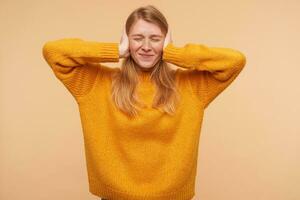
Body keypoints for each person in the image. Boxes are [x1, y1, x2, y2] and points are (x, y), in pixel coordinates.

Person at [42, 4, 246, 200]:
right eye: (138, 38)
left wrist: (175, 53)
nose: (146, 47)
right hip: (114, 198)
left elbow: (234, 61)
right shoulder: (96, 83)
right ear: (127, 40)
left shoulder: (191, 87)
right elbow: (54, 51)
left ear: (165, 42)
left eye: (155, 39)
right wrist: (116, 50)